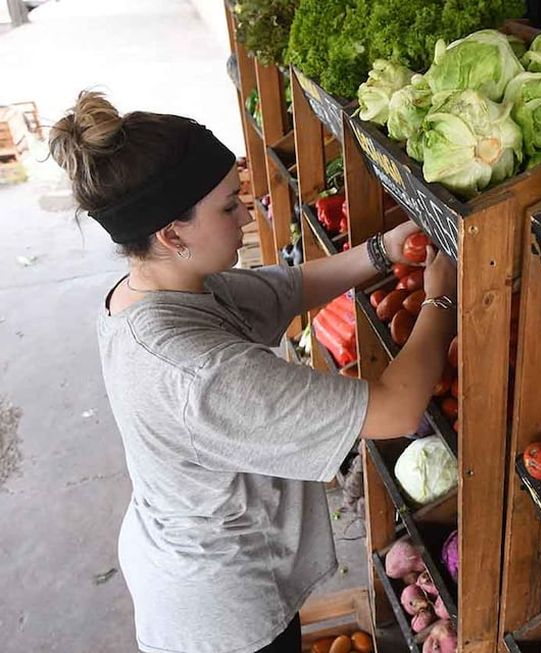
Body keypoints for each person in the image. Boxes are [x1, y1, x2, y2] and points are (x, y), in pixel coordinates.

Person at [48, 91, 457, 653]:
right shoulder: (198, 370)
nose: (246, 212)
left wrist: (385, 250)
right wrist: (442, 302)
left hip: (180, 549)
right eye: (228, 206)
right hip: (222, 613)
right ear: (172, 234)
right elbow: (397, 409)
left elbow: (291, 288)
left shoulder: (154, 291)